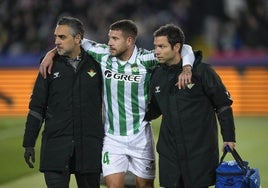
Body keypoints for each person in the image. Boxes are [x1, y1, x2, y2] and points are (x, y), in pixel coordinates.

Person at [39, 19, 195, 188]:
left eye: (115, 39)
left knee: (145, 185)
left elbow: (185, 48)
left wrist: (187, 68)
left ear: (129, 41)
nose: (109, 43)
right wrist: (51, 53)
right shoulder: (103, 54)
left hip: (140, 136)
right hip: (112, 137)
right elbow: (70, 40)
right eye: (109, 38)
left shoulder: (146, 59)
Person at [145, 24, 236, 188]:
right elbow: (155, 109)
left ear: (177, 47)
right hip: (169, 153)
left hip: (200, 151)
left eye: (162, 46)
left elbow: (223, 105)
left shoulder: (202, 72)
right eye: (155, 47)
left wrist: (229, 137)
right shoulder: (157, 75)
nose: (156, 51)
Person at [22, 16, 104, 188]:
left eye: (62, 37)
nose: (56, 41)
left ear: (78, 39)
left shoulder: (97, 64)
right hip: (56, 149)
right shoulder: (48, 67)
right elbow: (37, 107)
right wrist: (29, 142)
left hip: (88, 150)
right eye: (55, 37)